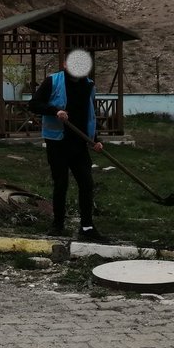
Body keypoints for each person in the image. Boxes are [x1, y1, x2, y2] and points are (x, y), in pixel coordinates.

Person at [28, 49, 103, 240]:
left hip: (79, 143)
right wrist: (55, 111)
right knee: (61, 183)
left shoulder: (89, 86)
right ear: (65, 64)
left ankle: (86, 227)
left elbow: (90, 115)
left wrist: (96, 138)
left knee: (86, 183)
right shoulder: (53, 81)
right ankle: (58, 224)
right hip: (58, 142)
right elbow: (34, 104)